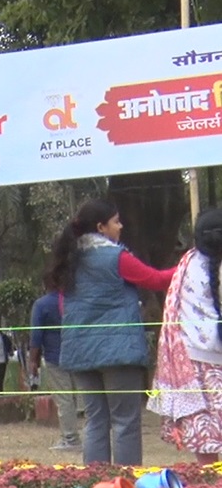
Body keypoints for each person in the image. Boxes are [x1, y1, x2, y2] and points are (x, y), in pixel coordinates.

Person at [45, 198, 175, 465]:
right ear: (101, 227)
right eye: (116, 221)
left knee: (95, 420)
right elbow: (156, 280)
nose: (121, 226)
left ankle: (97, 485)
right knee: (125, 421)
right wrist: (187, 264)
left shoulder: (70, 261)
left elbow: (63, 305)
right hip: (118, 354)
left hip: (80, 353)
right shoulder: (116, 258)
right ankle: (125, 487)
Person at [150, 208, 222, 461]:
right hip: (208, 361)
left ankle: (209, 487)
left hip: (191, 360)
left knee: (203, 431)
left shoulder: (186, 265)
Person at [27, 291, 80, 451]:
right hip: (78, 354)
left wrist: (33, 360)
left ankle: (70, 438)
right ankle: (79, 436)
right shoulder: (75, 298)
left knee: (64, 399)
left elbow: (36, 335)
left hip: (55, 356)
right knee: (77, 398)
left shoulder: (42, 304)